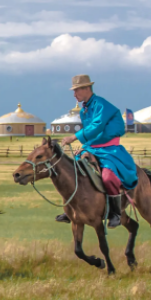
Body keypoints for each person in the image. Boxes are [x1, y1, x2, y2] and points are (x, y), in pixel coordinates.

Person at [58, 74, 136, 228]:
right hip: (93, 147)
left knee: (108, 177)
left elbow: (97, 127)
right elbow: (91, 133)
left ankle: (115, 213)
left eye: (77, 90)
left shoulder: (101, 105)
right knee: (76, 173)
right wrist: (85, 146)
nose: (74, 95)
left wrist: (74, 138)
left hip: (109, 149)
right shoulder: (84, 111)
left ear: (87, 88)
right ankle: (73, 210)